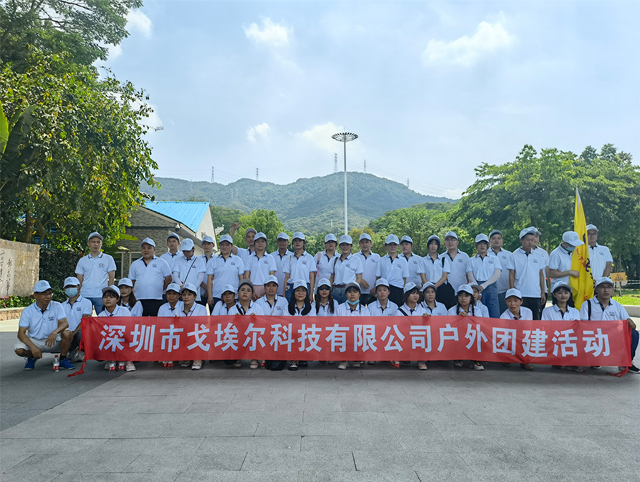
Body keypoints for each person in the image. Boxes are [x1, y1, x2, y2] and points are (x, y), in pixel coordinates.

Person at [580, 277, 639, 374]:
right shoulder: (587, 304)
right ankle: (594, 358)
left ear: (613, 290)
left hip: (613, 337)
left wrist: (631, 323)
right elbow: (583, 325)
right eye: (602, 287)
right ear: (596, 289)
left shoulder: (617, 306)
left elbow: (631, 324)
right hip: (594, 337)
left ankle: (626, 363)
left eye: (609, 287)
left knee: (634, 334)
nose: (606, 290)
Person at [15, 281, 74, 371]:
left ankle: (62, 359)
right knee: (19, 350)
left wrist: (55, 332)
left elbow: (65, 323)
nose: (48, 296)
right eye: (44, 294)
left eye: (50, 293)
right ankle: (32, 356)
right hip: (35, 341)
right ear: (35, 296)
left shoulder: (57, 306)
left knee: (67, 332)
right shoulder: (27, 311)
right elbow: (21, 334)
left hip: (54, 340)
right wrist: (33, 347)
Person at [542, 282, 583, 372]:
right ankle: (558, 360)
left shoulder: (575, 311)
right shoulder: (547, 311)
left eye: (566, 292)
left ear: (569, 295)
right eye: (559, 293)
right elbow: (545, 328)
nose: (563, 295)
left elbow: (577, 328)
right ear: (554, 295)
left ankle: (571, 362)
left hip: (570, 340)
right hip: (554, 339)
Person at [507, 228, 546, 320]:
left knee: (535, 320)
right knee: (521, 319)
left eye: (532, 240)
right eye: (528, 240)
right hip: (521, 293)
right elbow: (511, 274)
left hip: (535, 293)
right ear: (521, 240)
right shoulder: (514, 255)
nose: (530, 242)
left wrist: (543, 292)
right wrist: (512, 290)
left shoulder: (538, 255)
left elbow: (541, 274)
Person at [128, 238, 172, 316]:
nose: (146, 250)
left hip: (156, 298)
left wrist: (160, 288)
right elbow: (132, 281)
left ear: (154, 250)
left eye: (149, 248)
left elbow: (168, 279)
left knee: (155, 321)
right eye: (143, 248)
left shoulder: (162, 262)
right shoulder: (135, 264)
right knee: (140, 321)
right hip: (139, 299)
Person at [75, 232, 116, 314]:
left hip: (101, 295)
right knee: (85, 318)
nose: (96, 244)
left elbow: (111, 278)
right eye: (93, 242)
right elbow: (79, 279)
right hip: (85, 294)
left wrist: (109, 294)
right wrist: (78, 293)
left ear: (101, 244)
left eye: (98, 242)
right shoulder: (82, 260)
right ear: (88, 244)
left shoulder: (108, 259)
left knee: (103, 318)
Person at [228, 280, 264, 369]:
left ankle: (254, 358)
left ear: (252, 294)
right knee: (232, 335)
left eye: (248, 290)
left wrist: (256, 320)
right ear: (238, 292)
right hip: (238, 334)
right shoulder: (232, 309)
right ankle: (238, 357)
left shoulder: (257, 308)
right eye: (242, 290)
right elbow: (228, 326)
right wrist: (235, 321)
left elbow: (263, 325)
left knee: (256, 334)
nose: (245, 292)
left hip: (252, 334)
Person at [448, 284, 485, 371]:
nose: (463, 298)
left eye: (466, 296)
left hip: (472, 334)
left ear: (471, 298)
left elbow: (480, 325)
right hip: (458, 335)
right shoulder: (452, 310)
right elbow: (449, 326)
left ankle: (476, 359)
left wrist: (468, 318)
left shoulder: (477, 310)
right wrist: (459, 319)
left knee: (480, 335)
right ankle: (458, 357)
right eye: (460, 295)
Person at [335, 282, 371, 370]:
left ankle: (356, 359)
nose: (352, 294)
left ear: (359, 294)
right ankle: (344, 360)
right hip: (343, 336)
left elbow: (368, 326)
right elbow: (335, 324)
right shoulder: (339, 308)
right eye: (349, 292)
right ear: (345, 294)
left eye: (355, 291)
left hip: (358, 336)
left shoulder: (364, 310)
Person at [466, 234, 502, 318]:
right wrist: (477, 289)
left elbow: (497, 275)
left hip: (491, 286)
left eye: (484, 243)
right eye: (480, 243)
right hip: (476, 287)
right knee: (479, 313)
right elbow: (470, 276)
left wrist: (484, 285)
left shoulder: (494, 259)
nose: (482, 246)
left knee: (494, 314)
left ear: (487, 245)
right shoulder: (471, 260)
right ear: (476, 245)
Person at [98, 285, 133, 372]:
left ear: (117, 299)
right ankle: (110, 359)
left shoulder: (124, 311)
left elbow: (128, 328)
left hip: (122, 338)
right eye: (105, 297)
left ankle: (128, 361)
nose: (108, 299)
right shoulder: (101, 315)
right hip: (109, 340)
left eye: (111, 297)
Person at [206, 234, 245, 310]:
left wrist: (240, 295)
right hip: (217, 296)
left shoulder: (238, 260)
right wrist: (210, 296)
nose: (225, 247)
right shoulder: (213, 261)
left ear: (231, 246)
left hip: (234, 296)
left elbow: (241, 279)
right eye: (222, 245)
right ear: (219, 246)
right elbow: (210, 279)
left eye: (227, 245)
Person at [499, 288, 534, 371]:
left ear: (521, 302)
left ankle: (525, 361)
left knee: (530, 337)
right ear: (505, 302)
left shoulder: (528, 312)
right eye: (509, 301)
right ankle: (507, 357)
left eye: (516, 301)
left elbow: (527, 328)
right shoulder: (503, 316)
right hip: (510, 339)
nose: (512, 304)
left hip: (523, 336)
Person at [395, 282, 427, 370]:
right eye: (413, 293)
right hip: (405, 337)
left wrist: (426, 319)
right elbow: (396, 328)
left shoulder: (422, 310)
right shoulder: (399, 311)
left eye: (417, 293)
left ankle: (421, 360)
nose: (415, 296)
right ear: (406, 295)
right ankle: (404, 357)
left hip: (418, 337)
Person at [61, 276, 92, 363]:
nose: (70, 288)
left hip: (78, 332)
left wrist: (72, 334)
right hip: (67, 332)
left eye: (73, 286)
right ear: (64, 289)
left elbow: (85, 320)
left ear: (79, 287)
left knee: (81, 332)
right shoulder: (62, 305)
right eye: (67, 287)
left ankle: (82, 351)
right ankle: (71, 351)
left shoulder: (86, 302)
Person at [284, 279, 313, 371]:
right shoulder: (287, 307)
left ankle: (303, 357)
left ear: (307, 293)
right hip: (292, 334)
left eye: (303, 290)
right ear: (293, 293)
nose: (300, 293)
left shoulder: (312, 308)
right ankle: (293, 360)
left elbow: (312, 324)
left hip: (306, 334)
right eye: (297, 290)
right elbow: (285, 323)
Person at [178, 283, 208, 370]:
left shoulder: (202, 309)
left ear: (195, 296)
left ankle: (197, 359)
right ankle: (186, 357)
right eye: (184, 295)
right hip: (183, 335)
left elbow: (203, 325)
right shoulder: (177, 309)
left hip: (196, 335)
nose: (186, 297)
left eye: (189, 294)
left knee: (197, 335)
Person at [282, 232, 317, 303]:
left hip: (305, 286)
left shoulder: (309, 258)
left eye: (300, 240)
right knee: (290, 307)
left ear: (303, 242)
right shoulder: (289, 258)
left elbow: (311, 277)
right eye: (295, 240)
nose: (297, 242)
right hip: (291, 286)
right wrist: (284, 293)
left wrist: (311, 293)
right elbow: (287, 277)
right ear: (293, 243)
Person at [375, 234, 408, 307]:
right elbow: (378, 277)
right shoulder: (381, 261)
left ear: (398, 246)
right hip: (385, 289)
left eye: (394, 244)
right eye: (390, 244)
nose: (392, 247)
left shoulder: (403, 261)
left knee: (398, 310)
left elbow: (404, 278)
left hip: (398, 290)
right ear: (386, 246)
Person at [331, 235, 364, 304]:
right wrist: (331, 290)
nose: (345, 247)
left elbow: (359, 278)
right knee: (336, 309)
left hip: (348, 290)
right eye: (343, 245)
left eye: (347, 245)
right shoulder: (335, 259)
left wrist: (352, 289)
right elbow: (332, 277)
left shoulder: (356, 260)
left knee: (348, 309)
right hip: (336, 290)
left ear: (351, 246)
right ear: (340, 246)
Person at [172, 238, 207, 303]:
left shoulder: (200, 261)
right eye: (184, 251)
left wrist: (193, 289)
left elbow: (200, 278)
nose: (186, 253)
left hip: (195, 294)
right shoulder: (177, 260)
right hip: (181, 293)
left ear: (193, 249)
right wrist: (181, 286)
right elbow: (175, 276)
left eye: (188, 251)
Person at [422, 235, 452, 308]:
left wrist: (434, 287)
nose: (433, 246)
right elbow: (423, 277)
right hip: (428, 289)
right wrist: (430, 288)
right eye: (431, 243)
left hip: (441, 288)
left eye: (435, 244)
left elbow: (444, 277)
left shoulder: (443, 260)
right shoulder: (423, 260)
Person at [158, 283, 183, 369]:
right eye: (169, 293)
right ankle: (167, 356)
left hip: (179, 332)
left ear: (179, 295)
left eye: (174, 294)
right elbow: (160, 323)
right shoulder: (162, 307)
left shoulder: (183, 305)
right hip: (166, 332)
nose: (171, 296)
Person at [245, 232, 276, 300]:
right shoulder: (250, 258)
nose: (260, 243)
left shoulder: (270, 258)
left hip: (266, 287)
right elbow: (247, 276)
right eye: (258, 242)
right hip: (252, 286)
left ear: (266, 243)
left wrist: (267, 290)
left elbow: (272, 275)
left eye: (262, 241)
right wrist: (251, 289)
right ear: (254, 243)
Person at [488, 229, 512, 316]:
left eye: (499, 238)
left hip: (505, 291)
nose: (496, 240)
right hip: (489, 291)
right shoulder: (485, 254)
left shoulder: (509, 255)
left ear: (502, 241)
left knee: (505, 316)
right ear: (489, 241)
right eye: (493, 238)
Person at [442, 231, 470, 300]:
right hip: (446, 292)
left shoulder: (465, 256)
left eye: (453, 240)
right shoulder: (441, 257)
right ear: (445, 244)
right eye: (448, 240)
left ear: (457, 242)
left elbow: (468, 274)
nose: (450, 242)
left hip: (462, 291)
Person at [353, 233, 380, 305]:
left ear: (371, 243)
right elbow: (351, 272)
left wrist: (376, 287)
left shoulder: (377, 257)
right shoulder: (354, 257)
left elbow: (379, 274)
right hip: (358, 291)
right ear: (359, 244)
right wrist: (361, 280)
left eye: (367, 242)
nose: (364, 244)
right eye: (362, 242)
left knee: (373, 311)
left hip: (372, 292)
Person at [197, 235, 216, 307]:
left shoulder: (218, 259)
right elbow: (196, 275)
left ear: (213, 245)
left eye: (208, 243)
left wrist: (210, 291)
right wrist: (206, 288)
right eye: (204, 244)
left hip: (214, 293)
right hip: (200, 292)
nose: (206, 246)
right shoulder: (197, 259)